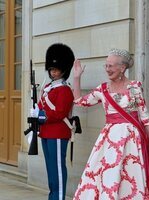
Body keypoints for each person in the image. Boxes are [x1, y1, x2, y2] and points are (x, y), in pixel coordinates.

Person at [72, 48, 149, 199]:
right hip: (110, 140)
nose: (107, 69)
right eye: (106, 65)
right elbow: (79, 102)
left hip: (132, 139)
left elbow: (144, 116)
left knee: (131, 176)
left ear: (122, 68)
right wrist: (77, 77)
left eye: (111, 66)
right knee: (109, 174)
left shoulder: (135, 87)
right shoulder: (102, 89)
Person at [30, 43, 75, 200]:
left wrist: (41, 115)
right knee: (50, 169)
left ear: (63, 70)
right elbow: (42, 106)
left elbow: (59, 113)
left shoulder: (64, 89)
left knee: (57, 169)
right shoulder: (49, 87)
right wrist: (35, 111)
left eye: (56, 69)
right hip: (47, 132)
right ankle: (53, 196)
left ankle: (59, 197)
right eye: (51, 69)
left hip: (57, 133)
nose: (53, 72)